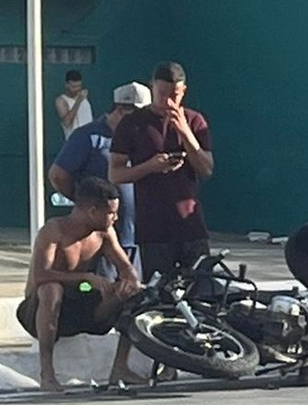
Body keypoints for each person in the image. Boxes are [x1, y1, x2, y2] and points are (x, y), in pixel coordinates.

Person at [16, 178, 143, 392]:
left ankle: (120, 368)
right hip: (42, 309)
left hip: (84, 310)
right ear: (93, 210)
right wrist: (85, 278)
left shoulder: (104, 233)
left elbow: (125, 267)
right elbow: (39, 275)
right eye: (111, 213)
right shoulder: (54, 230)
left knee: (135, 294)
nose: (116, 218)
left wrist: (129, 281)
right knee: (51, 289)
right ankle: (47, 374)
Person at [109, 62, 214, 280]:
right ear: (152, 87)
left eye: (174, 95)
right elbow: (115, 174)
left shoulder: (195, 121)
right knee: (160, 295)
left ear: (183, 91)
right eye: (161, 93)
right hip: (154, 229)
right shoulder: (132, 123)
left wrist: (185, 133)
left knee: (200, 291)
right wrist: (149, 167)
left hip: (191, 228)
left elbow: (206, 168)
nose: (168, 101)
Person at [49, 82, 152, 272]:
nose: (142, 123)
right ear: (120, 110)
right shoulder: (88, 137)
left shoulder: (141, 139)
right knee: (102, 295)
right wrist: (85, 202)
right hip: (101, 242)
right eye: (137, 117)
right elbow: (58, 175)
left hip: (136, 240)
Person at [54, 70, 93, 139]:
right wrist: (78, 102)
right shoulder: (61, 100)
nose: (77, 89)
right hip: (74, 140)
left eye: (79, 86)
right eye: (73, 87)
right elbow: (66, 122)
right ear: (67, 85)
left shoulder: (84, 96)